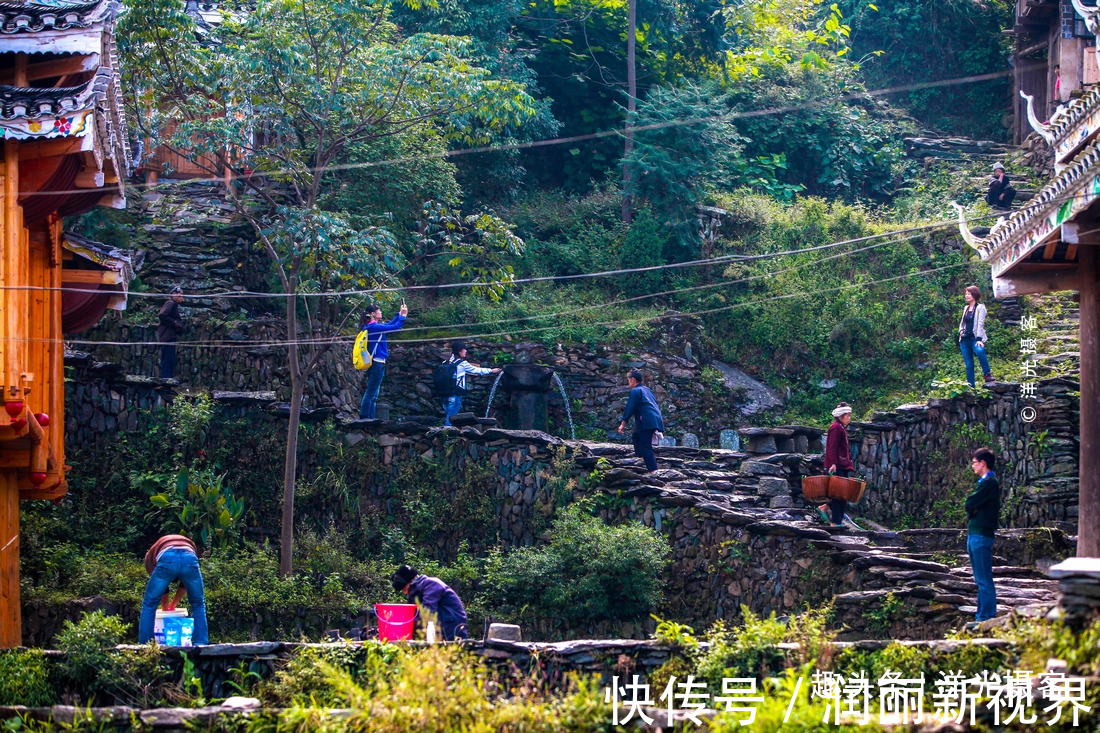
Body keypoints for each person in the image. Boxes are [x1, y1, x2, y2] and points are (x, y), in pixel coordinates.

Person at [138, 535, 208, 646]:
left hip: (167, 555)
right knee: (198, 603)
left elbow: (161, 588)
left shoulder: (149, 560)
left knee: (149, 604)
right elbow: (186, 584)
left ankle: (146, 644)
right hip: (189, 555)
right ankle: (201, 643)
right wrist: (171, 605)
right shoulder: (151, 558)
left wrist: (167, 607)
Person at [965, 447, 1000, 623]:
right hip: (975, 534)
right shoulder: (984, 483)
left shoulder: (990, 483)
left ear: (982, 463)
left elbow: (969, 503)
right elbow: (971, 505)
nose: (973, 466)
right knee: (979, 579)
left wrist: (973, 508)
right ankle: (981, 615)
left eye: (974, 463)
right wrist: (973, 507)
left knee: (984, 579)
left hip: (981, 535)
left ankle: (986, 617)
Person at [391, 564, 469, 641]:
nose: (405, 593)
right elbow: (410, 616)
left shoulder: (431, 584)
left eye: (404, 589)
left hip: (452, 632)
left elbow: (428, 613)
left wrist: (405, 625)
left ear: (411, 582)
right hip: (438, 634)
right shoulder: (415, 594)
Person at [358, 302, 408, 419]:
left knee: (373, 394)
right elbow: (394, 327)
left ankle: (370, 417)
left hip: (373, 363)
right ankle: (365, 416)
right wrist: (403, 316)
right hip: (377, 363)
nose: (381, 312)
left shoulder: (372, 327)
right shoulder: (374, 327)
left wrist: (399, 315)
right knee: (371, 393)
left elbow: (389, 325)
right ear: (373, 314)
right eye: (379, 311)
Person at [439, 341, 501, 426]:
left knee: (448, 415)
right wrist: (491, 371)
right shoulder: (462, 364)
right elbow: (477, 370)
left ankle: (445, 435)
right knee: (450, 419)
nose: (466, 351)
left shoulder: (445, 362)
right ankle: (446, 436)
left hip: (444, 394)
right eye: (464, 349)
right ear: (460, 351)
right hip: (455, 395)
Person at [617, 369, 665, 473]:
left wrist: (623, 424)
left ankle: (654, 471)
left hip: (646, 420)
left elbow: (630, 407)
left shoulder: (635, 391)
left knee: (645, 446)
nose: (628, 382)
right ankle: (642, 457)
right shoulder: (647, 390)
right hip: (655, 418)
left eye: (629, 380)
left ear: (633, 380)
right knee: (636, 436)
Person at [818, 402, 855, 527]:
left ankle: (825, 508)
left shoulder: (840, 428)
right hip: (838, 464)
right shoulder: (836, 428)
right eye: (847, 416)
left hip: (842, 464)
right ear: (841, 416)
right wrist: (833, 463)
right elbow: (832, 447)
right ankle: (835, 522)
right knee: (839, 494)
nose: (849, 418)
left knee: (842, 494)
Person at [959, 285, 993, 387]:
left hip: (975, 338)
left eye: (969, 294)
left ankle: (987, 375)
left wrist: (979, 339)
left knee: (979, 350)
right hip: (965, 339)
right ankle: (971, 386)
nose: (966, 296)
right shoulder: (966, 308)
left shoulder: (980, 308)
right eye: (966, 294)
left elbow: (980, 323)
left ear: (974, 295)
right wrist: (961, 331)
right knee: (969, 364)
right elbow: (962, 323)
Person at [158, 286, 184, 379]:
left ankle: (168, 377)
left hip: (170, 335)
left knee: (170, 357)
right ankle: (166, 378)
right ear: (173, 294)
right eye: (180, 294)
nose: (182, 296)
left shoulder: (174, 305)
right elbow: (162, 315)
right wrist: (174, 323)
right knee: (168, 358)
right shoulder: (170, 303)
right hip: (167, 335)